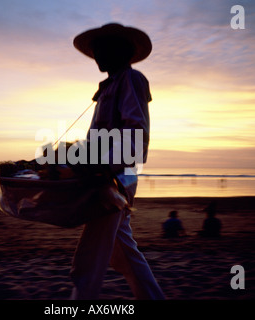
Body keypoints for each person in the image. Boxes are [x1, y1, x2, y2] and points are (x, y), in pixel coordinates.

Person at [70, 23, 165, 300]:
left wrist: (104, 170)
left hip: (114, 180)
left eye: (103, 49)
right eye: (96, 50)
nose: (97, 55)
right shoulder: (109, 87)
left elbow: (136, 132)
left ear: (120, 52)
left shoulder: (131, 80)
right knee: (121, 250)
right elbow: (98, 140)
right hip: (102, 177)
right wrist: (76, 155)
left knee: (91, 257)